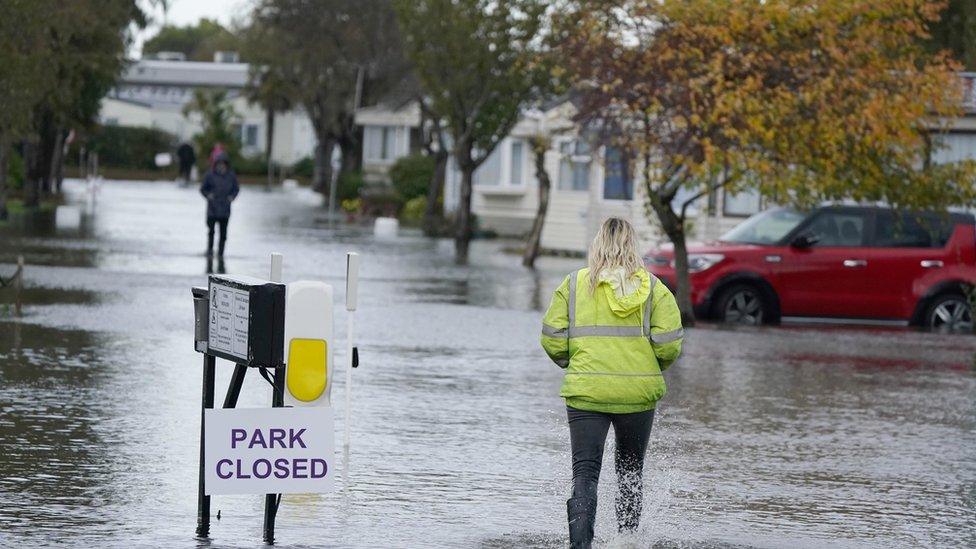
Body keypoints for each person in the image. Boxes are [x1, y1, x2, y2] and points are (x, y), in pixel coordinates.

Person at [541, 217, 684, 549]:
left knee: (585, 473)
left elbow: (551, 337)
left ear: (597, 245)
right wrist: (647, 368)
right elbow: (670, 344)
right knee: (630, 472)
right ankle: (628, 542)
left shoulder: (573, 285)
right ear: (633, 246)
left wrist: (574, 364)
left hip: (586, 392)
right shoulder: (655, 288)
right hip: (637, 395)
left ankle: (580, 546)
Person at [200, 152, 239, 258]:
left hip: (225, 210)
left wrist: (232, 197)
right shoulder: (209, 174)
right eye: (219, 163)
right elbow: (203, 189)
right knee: (211, 231)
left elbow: (236, 189)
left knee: (223, 234)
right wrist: (208, 195)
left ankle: (221, 253)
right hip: (212, 209)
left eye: (223, 163)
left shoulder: (231, 176)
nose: (221, 165)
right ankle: (210, 251)